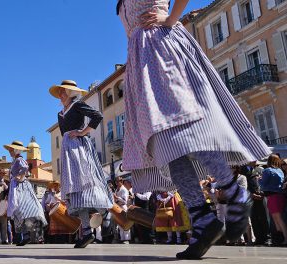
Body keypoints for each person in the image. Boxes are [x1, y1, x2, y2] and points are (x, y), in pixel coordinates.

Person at [116, 0, 271, 258]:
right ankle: (202, 219)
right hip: (140, 62)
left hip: (162, 50)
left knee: (188, 131)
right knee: (166, 147)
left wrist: (170, 18)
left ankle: (233, 192)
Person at [49, 80, 113, 248]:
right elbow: (64, 134)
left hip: (79, 148)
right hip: (67, 150)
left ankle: (104, 213)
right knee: (76, 191)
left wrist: (82, 132)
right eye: (60, 92)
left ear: (71, 93)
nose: (61, 95)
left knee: (87, 183)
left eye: (64, 92)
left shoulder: (78, 105)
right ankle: (86, 232)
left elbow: (97, 116)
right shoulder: (60, 114)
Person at [5, 141, 47, 246]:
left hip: (20, 187)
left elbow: (25, 168)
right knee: (19, 211)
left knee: (22, 209)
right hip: (15, 186)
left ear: (16, 150)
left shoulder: (19, 159)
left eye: (11, 150)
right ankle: (24, 236)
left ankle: (28, 236)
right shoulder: (15, 161)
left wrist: (20, 177)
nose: (10, 151)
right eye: (10, 150)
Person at [260, 154, 287, 245]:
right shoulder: (280, 171)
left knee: (277, 219)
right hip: (279, 195)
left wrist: (259, 179)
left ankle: (285, 238)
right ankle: (280, 238)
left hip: (272, 196)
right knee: (278, 218)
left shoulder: (267, 170)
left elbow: (263, 185)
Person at [114, 177, 131, 244]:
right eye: (116, 181)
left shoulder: (124, 189)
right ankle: (122, 238)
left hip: (123, 207)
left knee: (125, 223)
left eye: (118, 181)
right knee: (120, 224)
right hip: (118, 207)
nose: (117, 183)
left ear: (121, 181)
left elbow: (125, 201)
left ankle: (127, 239)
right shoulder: (116, 189)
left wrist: (117, 198)